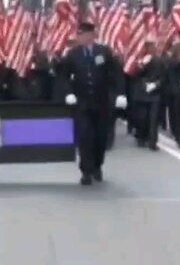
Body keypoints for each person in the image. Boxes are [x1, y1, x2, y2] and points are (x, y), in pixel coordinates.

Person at [59, 22, 126, 185]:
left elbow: (116, 73)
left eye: (83, 35)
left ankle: (97, 166)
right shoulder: (73, 54)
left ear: (91, 35)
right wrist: (68, 93)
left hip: (102, 102)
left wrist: (120, 94)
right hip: (82, 103)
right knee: (84, 138)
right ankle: (86, 171)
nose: (80, 37)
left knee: (100, 137)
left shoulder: (104, 52)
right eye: (79, 35)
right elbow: (64, 76)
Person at [132, 38, 165, 150]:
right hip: (142, 92)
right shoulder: (139, 60)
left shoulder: (159, 60)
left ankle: (152, 142)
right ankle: (141, 138)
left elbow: (163, 76)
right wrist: (142, 64)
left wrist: (156, 85)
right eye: (148, 46)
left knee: (153, 119)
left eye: (152, 46)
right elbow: (135, 74)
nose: (151, 48)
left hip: (154, 92)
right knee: (142, 118)